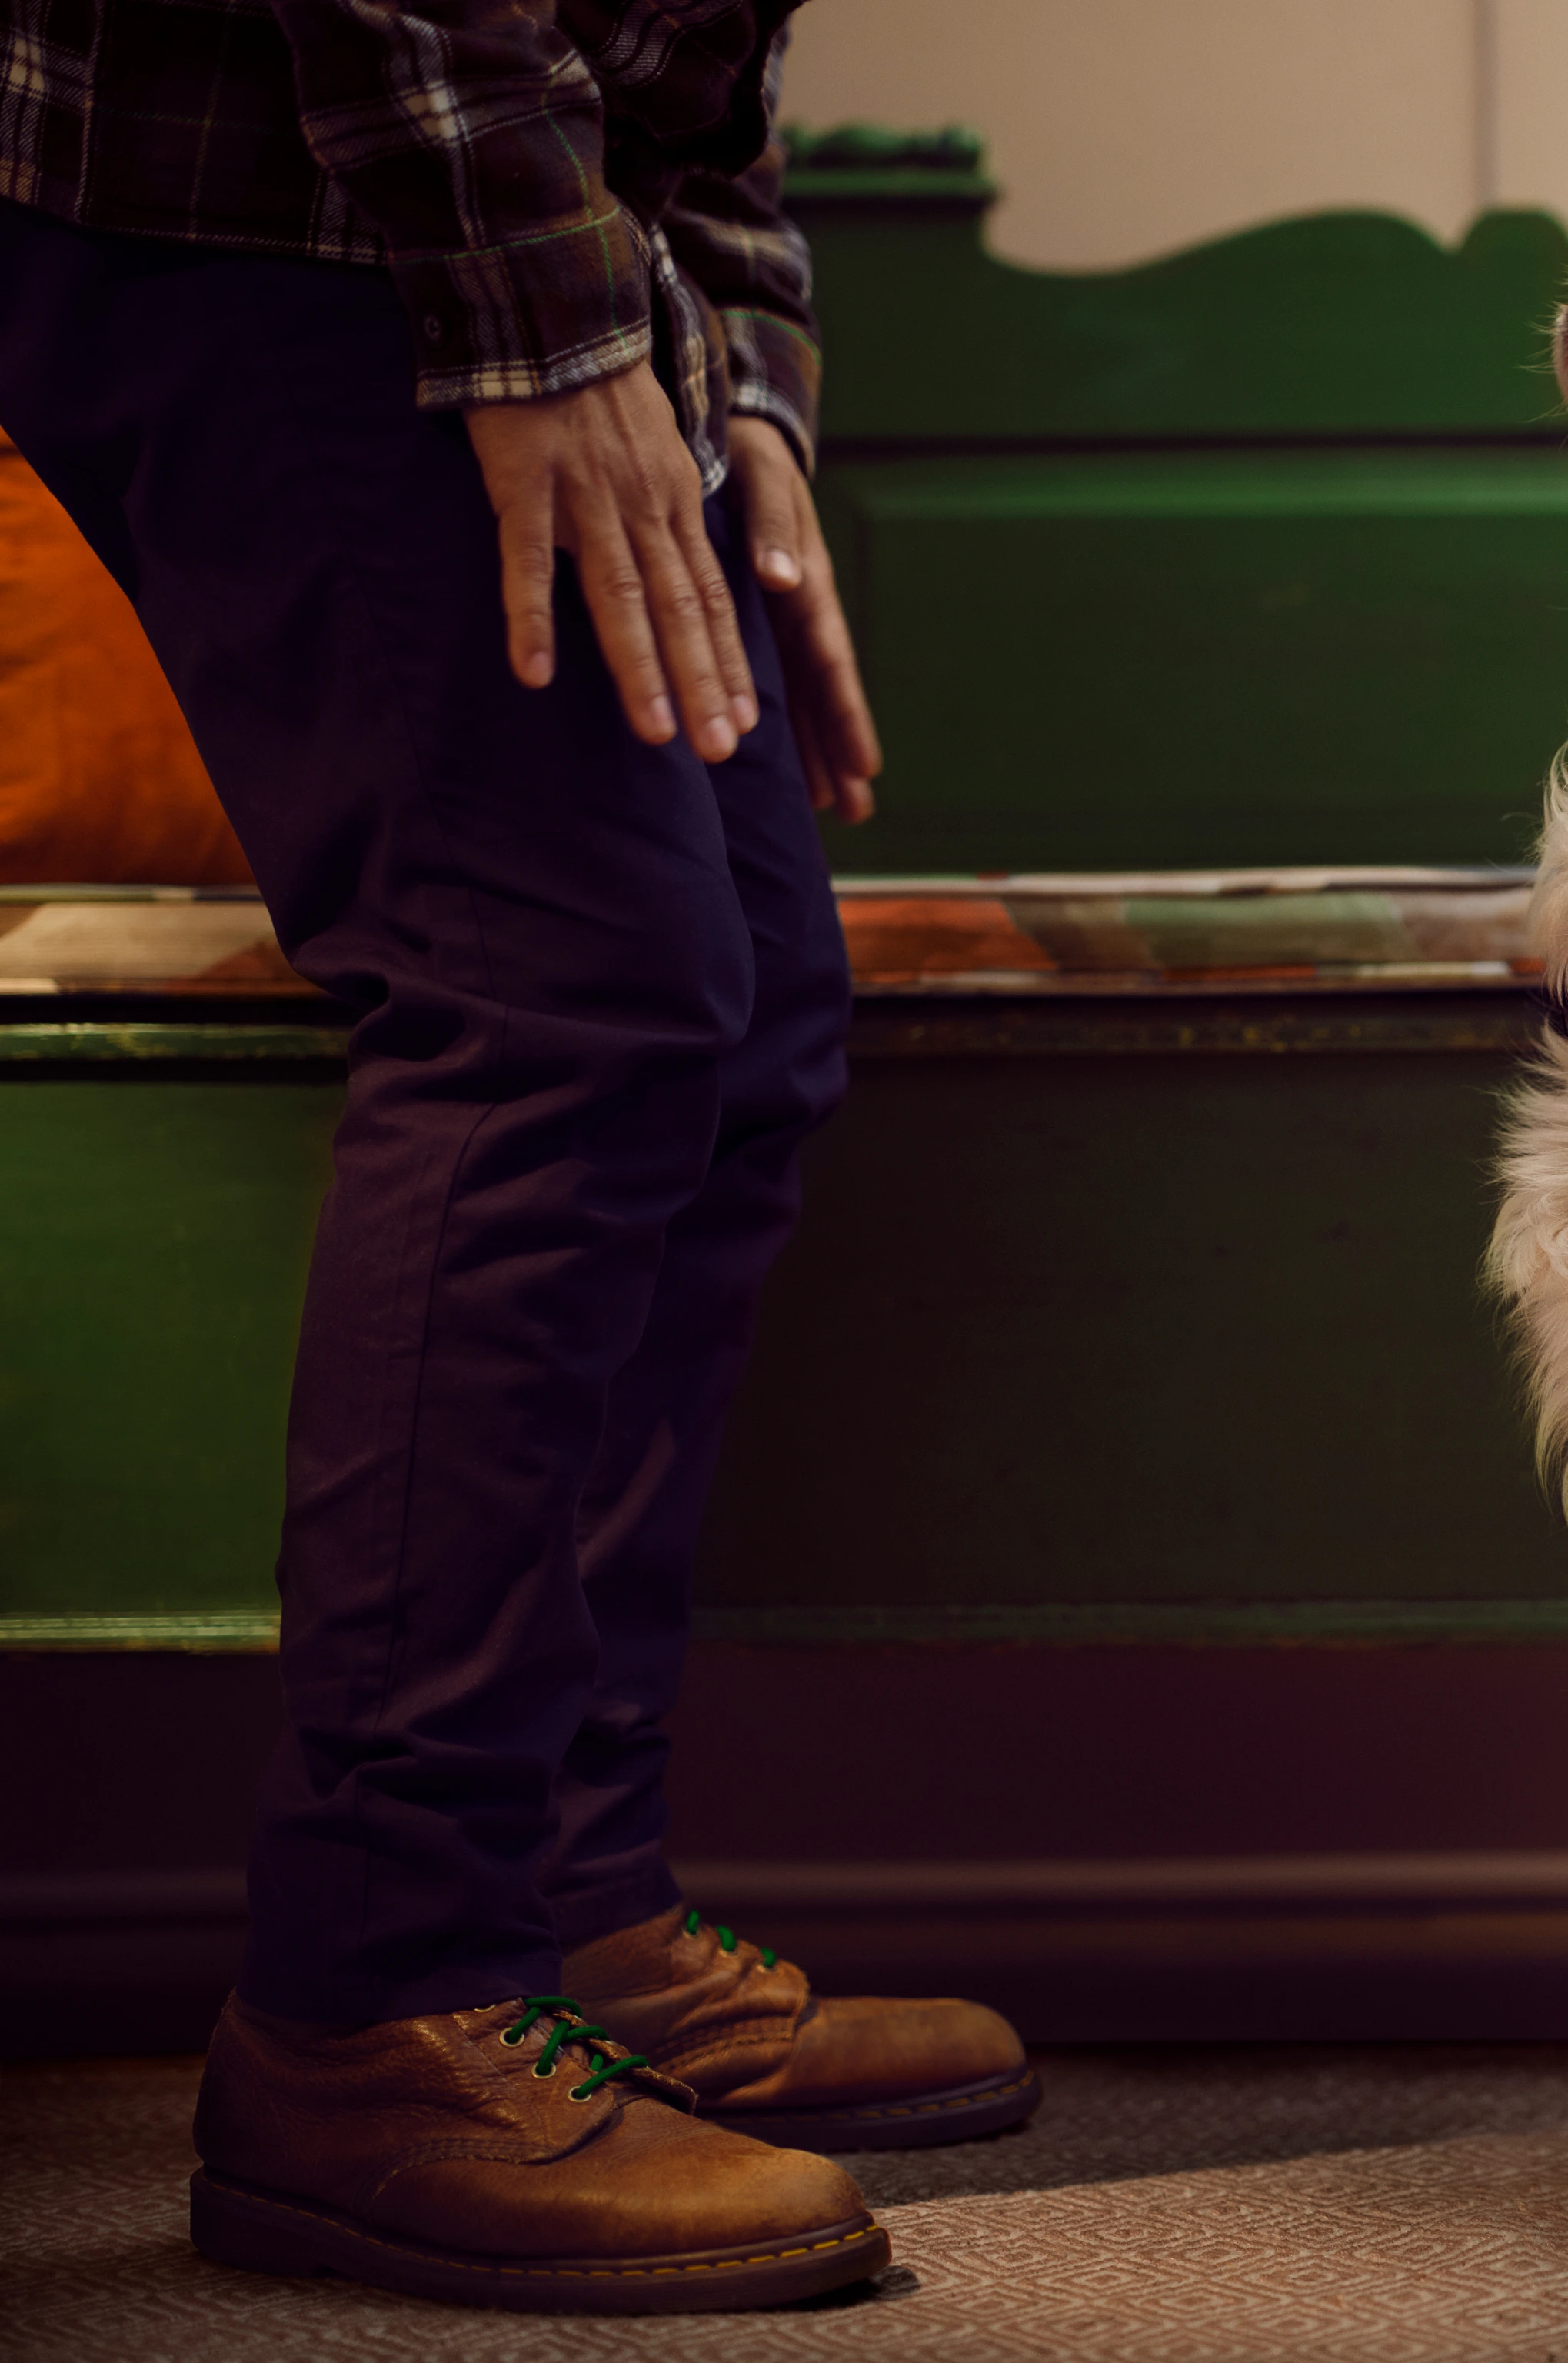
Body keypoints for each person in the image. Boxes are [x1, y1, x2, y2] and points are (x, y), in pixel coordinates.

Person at [0, 0, 1031, 2313]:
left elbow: (698, 53)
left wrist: (734, 376)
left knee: (742, 1000)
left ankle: (565, 1914)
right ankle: (383, 1994)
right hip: (277, 190)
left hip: (502, 222)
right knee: (555, 991)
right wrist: (546, 335)